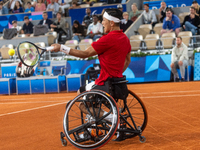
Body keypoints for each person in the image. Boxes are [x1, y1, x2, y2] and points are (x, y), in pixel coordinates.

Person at [50, 8, 131, 141]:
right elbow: (127, 61)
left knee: (82, 102)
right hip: (118, 83)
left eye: (104, 21)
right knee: (84, 92)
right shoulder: (125, 39)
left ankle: (111, 120)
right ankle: (96, 126)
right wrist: (116, 73)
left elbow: (84, 54)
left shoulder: (107, 39)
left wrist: (61, 48)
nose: (102, 23)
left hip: (106, 84)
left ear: (111, 23)